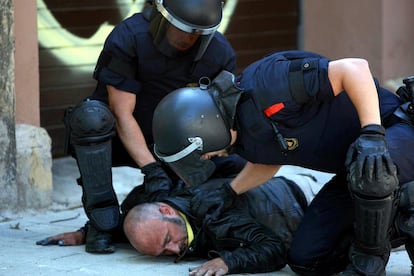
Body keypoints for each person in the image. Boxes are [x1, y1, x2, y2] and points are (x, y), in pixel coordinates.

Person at [150, 50, 414, 275]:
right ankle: (404, 222)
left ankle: (369, 261)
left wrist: (372, 133)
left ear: (203, 130)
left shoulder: (268, 84)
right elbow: (271, 158)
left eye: (202, 153)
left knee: (369, 168)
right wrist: (229, 191)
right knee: (307, 260)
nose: (206, 158)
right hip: (357, 170)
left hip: (396, 130)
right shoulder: (241, 135)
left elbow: (354, 68)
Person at [62, 0, 246, 254]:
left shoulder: (220, 53)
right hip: (122, 134)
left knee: (236, 161)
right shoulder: (129, 37)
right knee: (90, 118)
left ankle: (146, 221)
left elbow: (229, 117)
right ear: (161, 18)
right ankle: (101, 223)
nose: (187, 39)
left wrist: (211, 150)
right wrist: (151, 169)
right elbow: (121, 112)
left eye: (197, 34)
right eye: (180, 28)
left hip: (176, 141)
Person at [37, 174, 319, 275]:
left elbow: (273, 249)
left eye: (167, 240)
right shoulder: (159, 209)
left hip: (304, 201)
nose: (174, 249)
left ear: (166, 210)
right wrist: (85, 233)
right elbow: (132, 223)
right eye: (162, 252)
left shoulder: (215, 214)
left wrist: (229, 262)